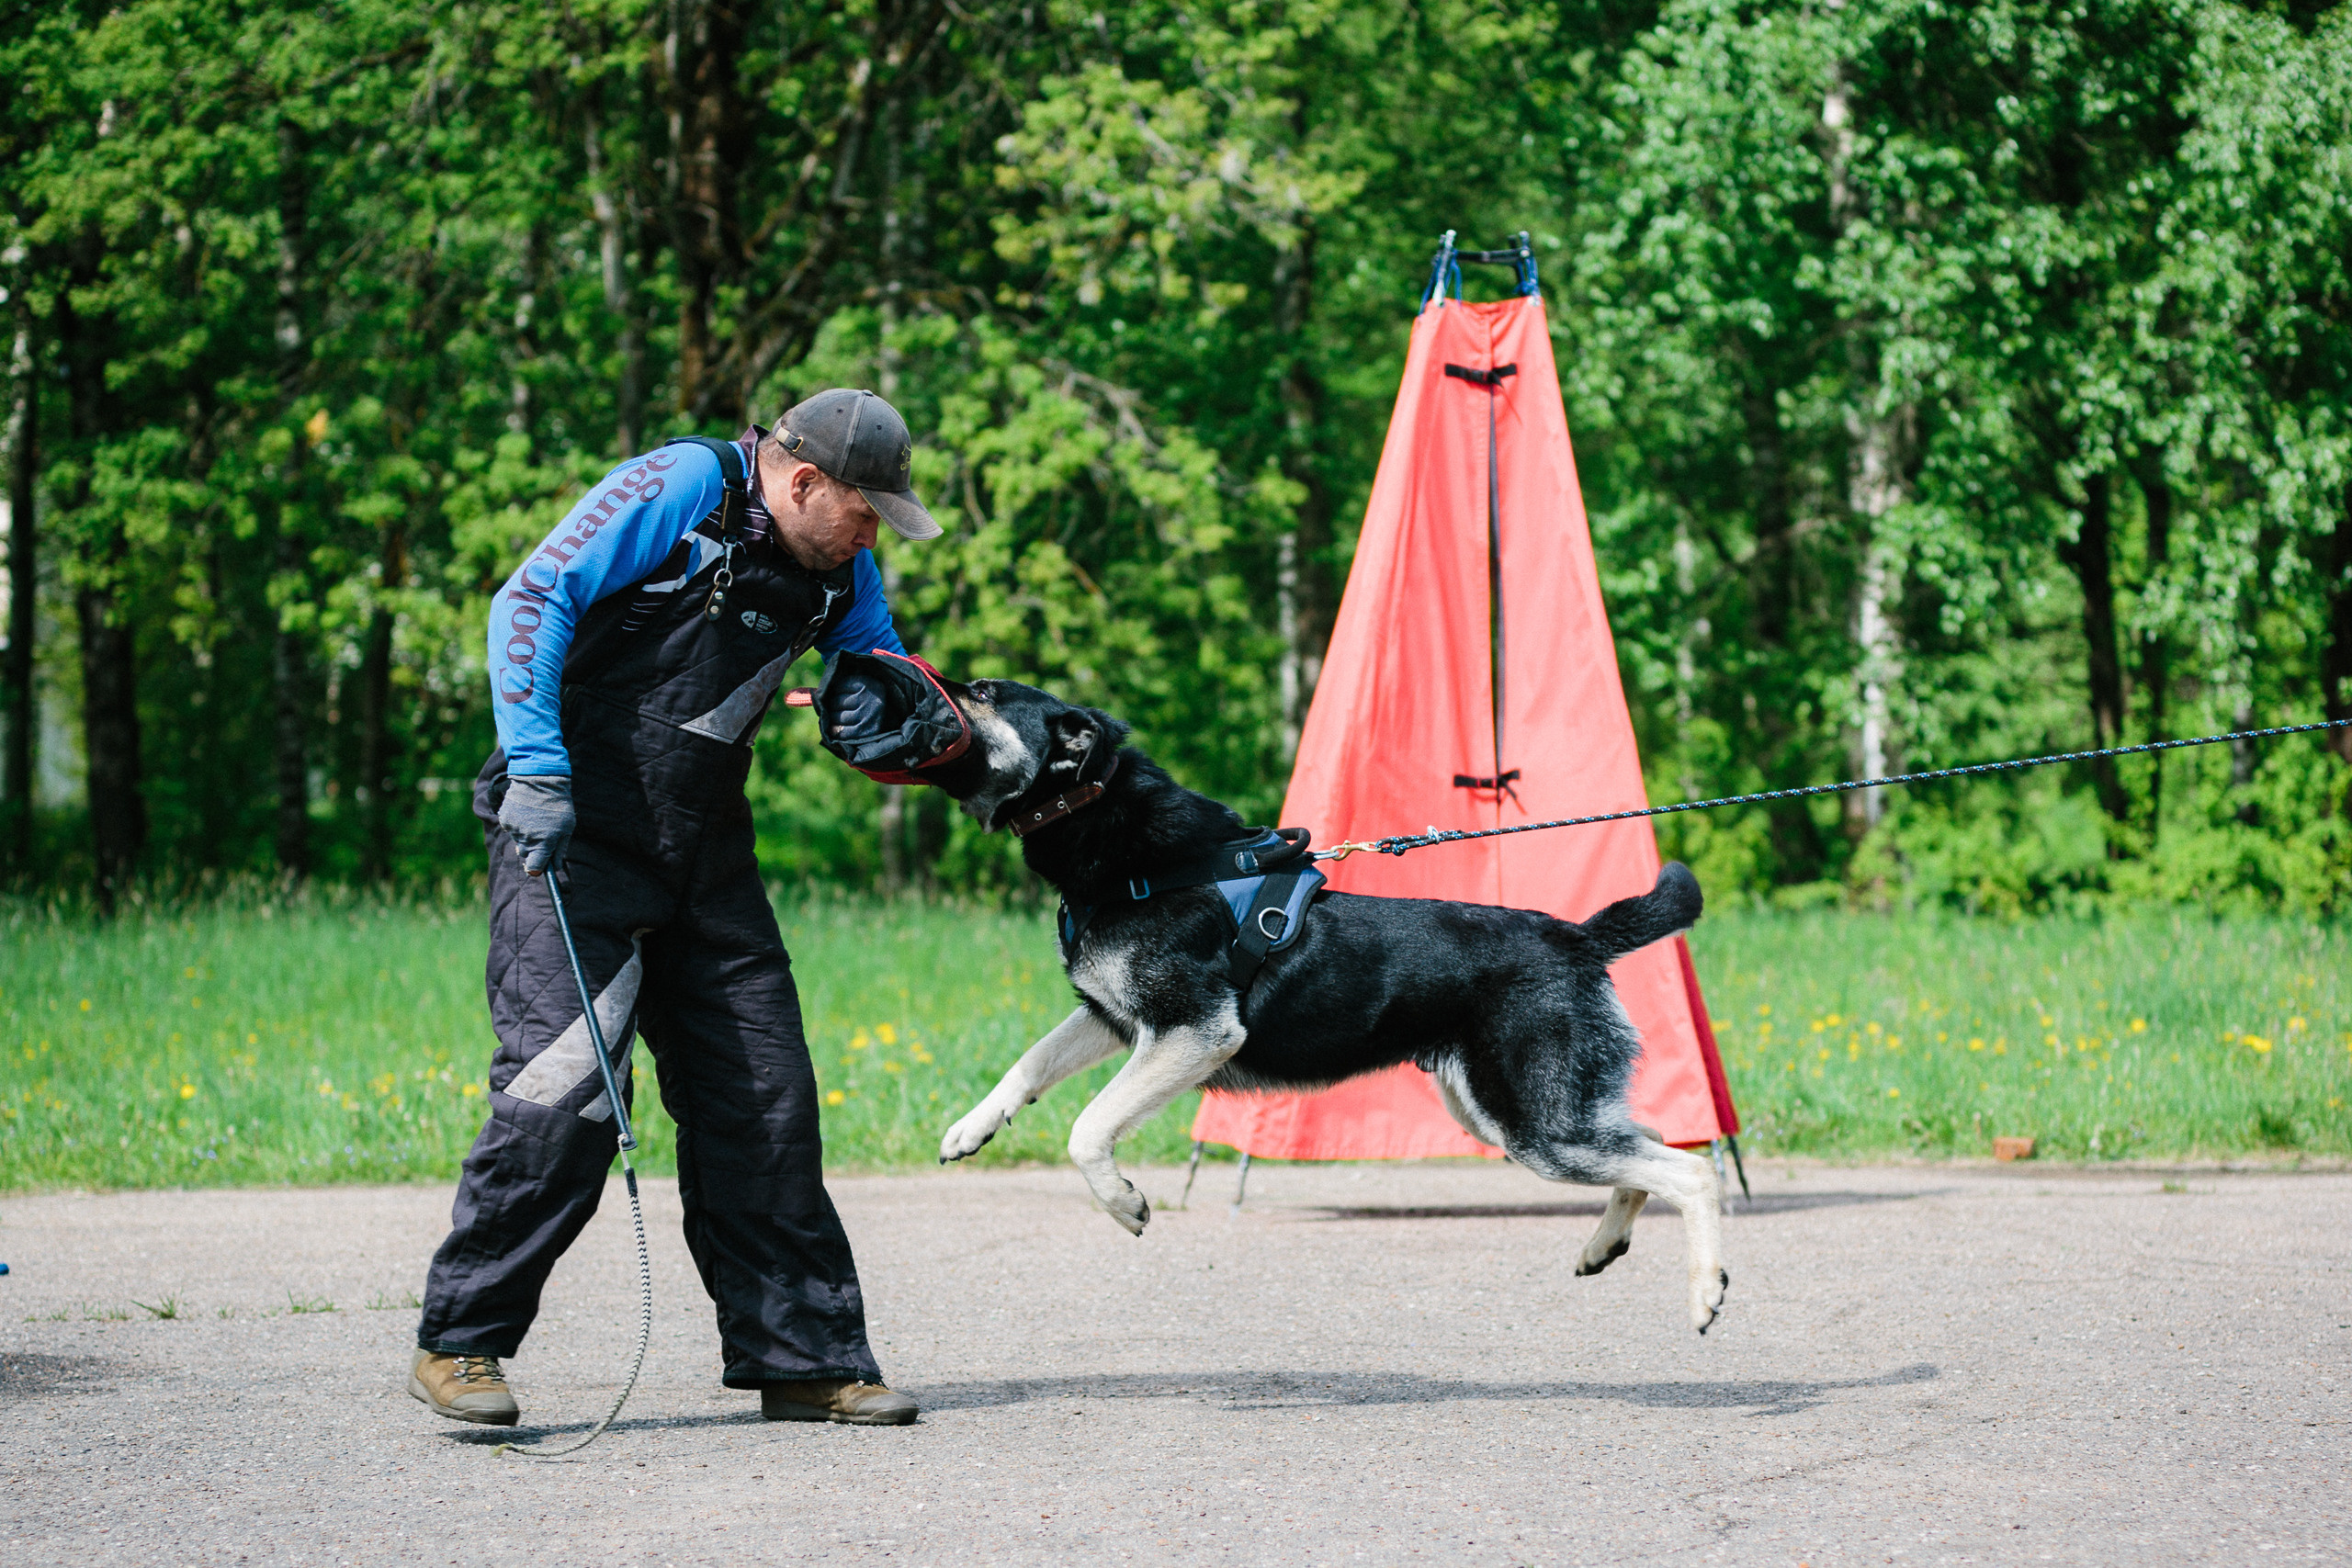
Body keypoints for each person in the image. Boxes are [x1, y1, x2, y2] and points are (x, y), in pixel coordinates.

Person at [409, 389, 939, 1428]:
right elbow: (531, 599)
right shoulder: (686, 487)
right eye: (866, 510)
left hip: (704, 850)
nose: (874, 533)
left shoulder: (841, 575)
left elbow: (877, 666)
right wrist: (537, 771)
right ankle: (462, 1341)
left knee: (766, 1101)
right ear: (802, 482)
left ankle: (804, 1358)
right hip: (569, 831)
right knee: (566, 1093)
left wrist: (911, 715)